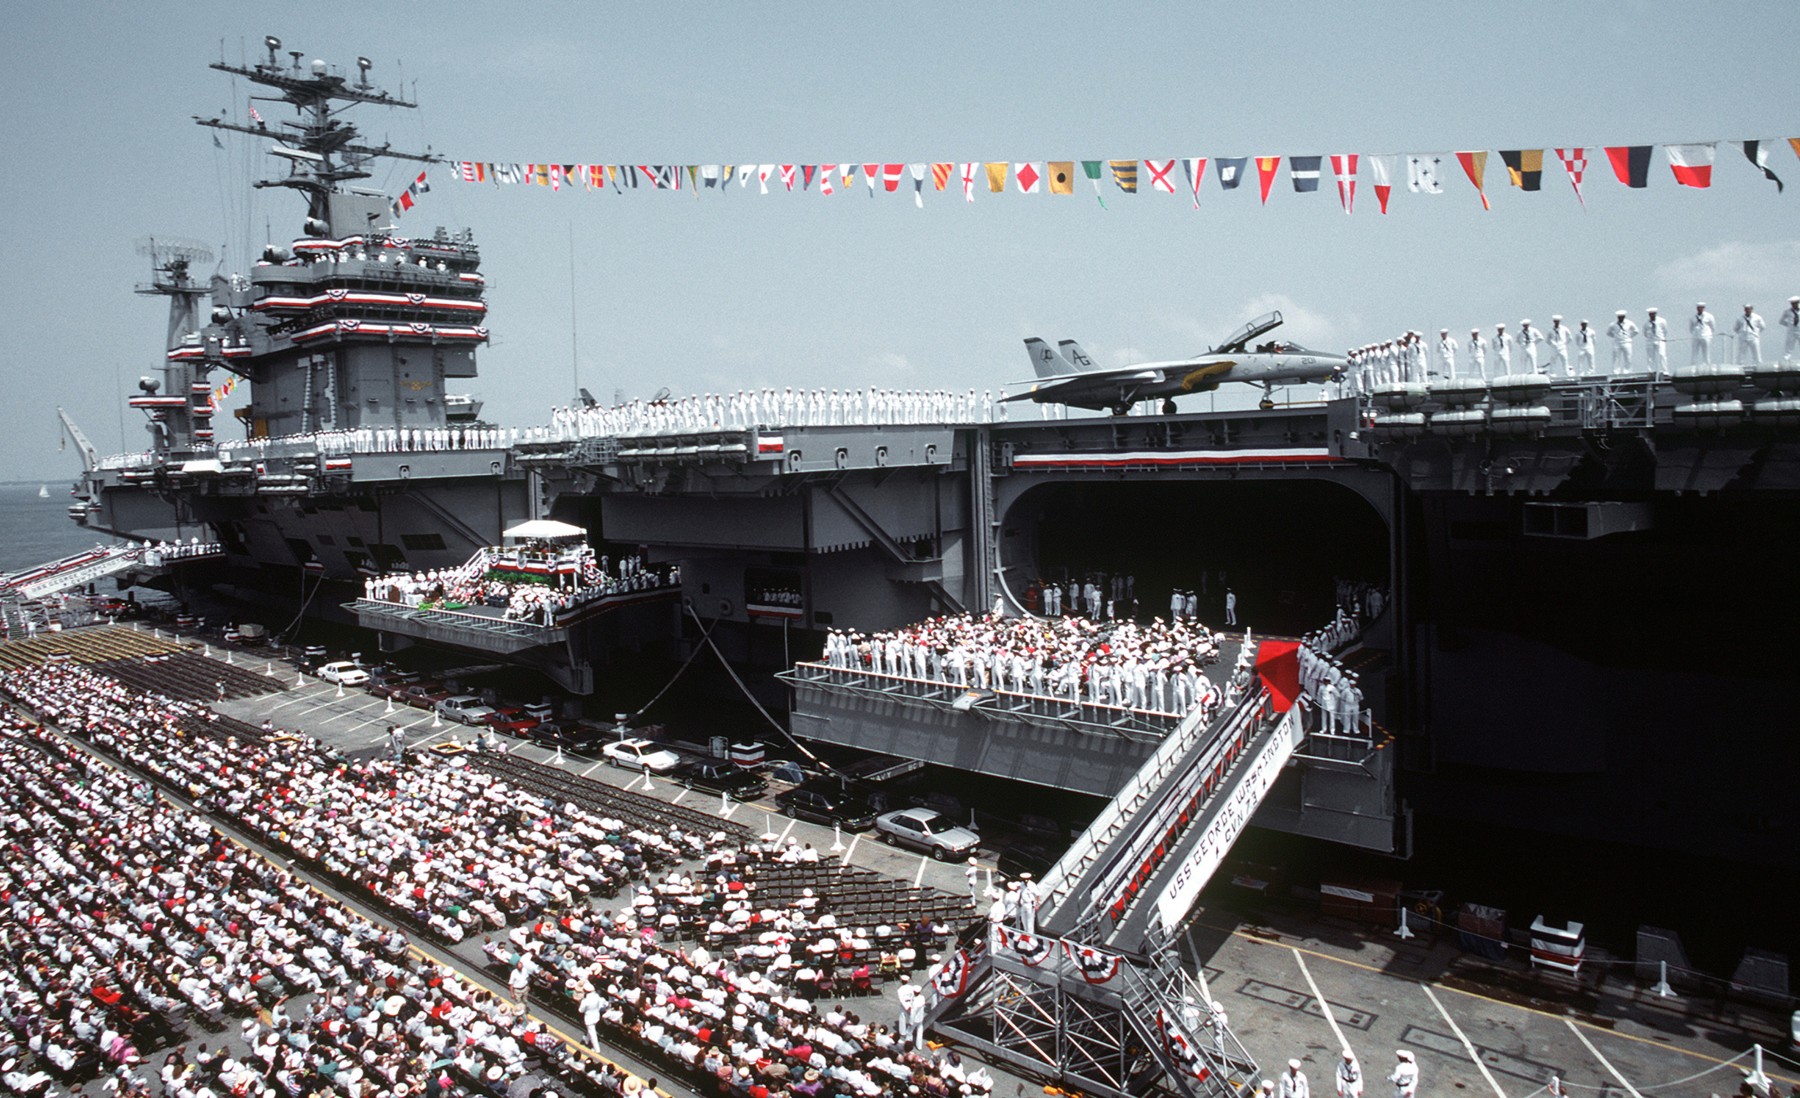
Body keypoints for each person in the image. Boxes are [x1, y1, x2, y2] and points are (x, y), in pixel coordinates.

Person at [1644, 308, 1668, 376]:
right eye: (1650, 314)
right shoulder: (1646, 323)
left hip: (1660, 340)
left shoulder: (1662, 321)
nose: (1651, 315)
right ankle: (1651, 371)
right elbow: (1644, 332)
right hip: (1650, 341)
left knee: (1662, 355)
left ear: (1655, 314)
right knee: (1650, 357)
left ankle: (1665, 371)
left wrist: (1662, 337)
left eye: (1653, 314)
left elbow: (1665, 330)